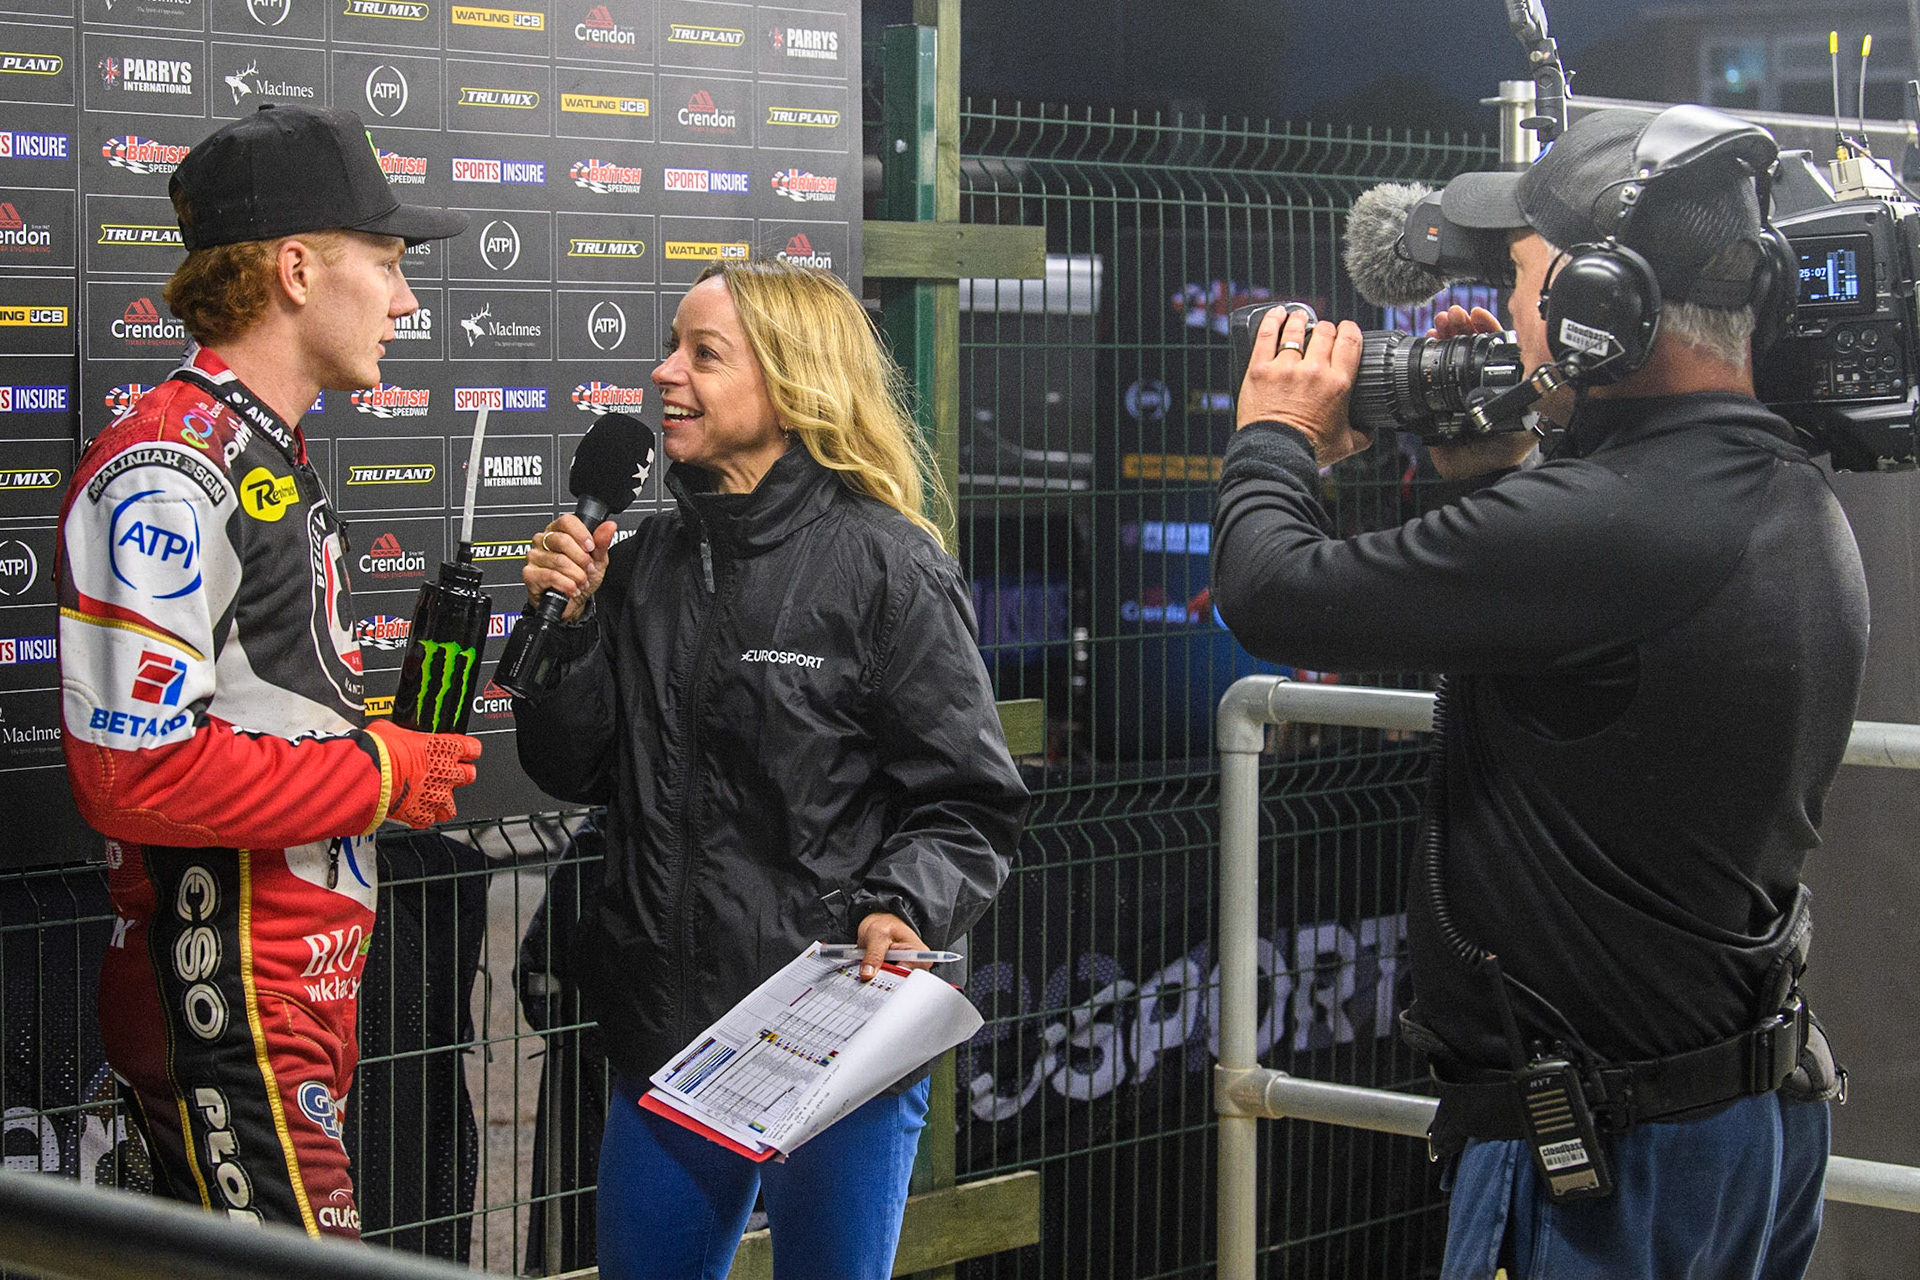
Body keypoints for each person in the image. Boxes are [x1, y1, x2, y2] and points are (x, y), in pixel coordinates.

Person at [1211, 106, 1865, 1280]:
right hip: (1737, 1116)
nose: (1513, 323)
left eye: (1521, 283)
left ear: (1602, 307)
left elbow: (1273, 590)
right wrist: (1502, 467)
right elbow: (1586, 607)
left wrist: (1275, 435)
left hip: (1607, 1160)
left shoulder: (1609, 526)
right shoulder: (1779, 487)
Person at [513, 258, 1029, 1280]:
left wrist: (901, 902)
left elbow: (970, 803)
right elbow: (575, 768)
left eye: (704, 354)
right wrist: (567, 634)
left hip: (833, 1038)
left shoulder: (888, 565)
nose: (665, 375)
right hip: (667, 1039)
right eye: (671, 346)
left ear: (792, 382)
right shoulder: (645, 560)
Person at [56, 104, 482, 1238]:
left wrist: (386, 765)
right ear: (296, 267)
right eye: (387, 262)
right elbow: (133, 777)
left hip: (292, 986)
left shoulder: (264, 451)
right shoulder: (165, 464)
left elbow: (268, 717)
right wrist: (378, 773)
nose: (407, 298)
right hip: (228, 992)